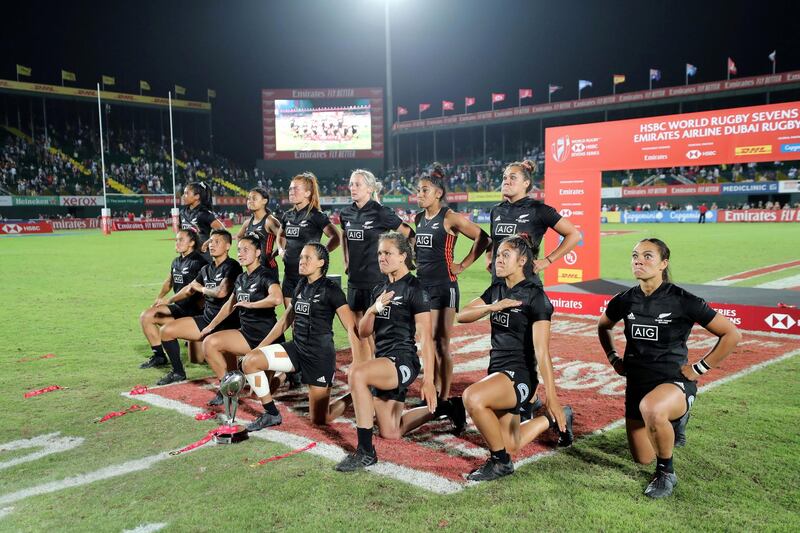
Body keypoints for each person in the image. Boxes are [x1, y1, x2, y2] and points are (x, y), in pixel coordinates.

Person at [597, 238, 741, 498]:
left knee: (652, 408)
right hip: (637, 385)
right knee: (642, 457)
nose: (638, 260)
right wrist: (613, 357)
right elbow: (603, 325)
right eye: (635, 255)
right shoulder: (625, 300)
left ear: (664, 263)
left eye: (648, 256)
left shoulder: (684, 300)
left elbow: (731, 333)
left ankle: (666, 473)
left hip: (673, 382)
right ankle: (674, 422)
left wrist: (699, 368)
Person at [457, 234, 572, 481]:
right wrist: (491, 307)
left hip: (519, 374)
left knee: (473, 398)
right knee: (510, 442)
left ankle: (501, 464)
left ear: (522, 261)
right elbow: (462, 315)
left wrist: (551, 397)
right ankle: (551, 419)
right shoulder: (497, 288)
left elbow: (542, 351)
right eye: (497, 255)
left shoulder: (535, 297)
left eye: (505, 255)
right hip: (497, 371)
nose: (498, 260)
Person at [486, 159, 581, 420]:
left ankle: (528, 397)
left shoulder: (539, 210)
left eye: (512, 177)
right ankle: (526, 395)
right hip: (500, 286)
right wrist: (490, 258)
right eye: (505, 176)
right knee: (503, 340)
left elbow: (573, 235)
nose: (506, 180)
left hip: (527, 288)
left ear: (527, 183)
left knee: (528, 345)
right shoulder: (496, 211)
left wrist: (548, 260)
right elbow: (495, 243)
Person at [334, 232, 437, 472]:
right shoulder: (379, 288)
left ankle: (365, 452)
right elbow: (362, 332)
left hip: (403, 361)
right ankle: (445, 408)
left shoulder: (415, 289)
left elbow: (427, 338)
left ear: (402, 256)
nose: (382, 257)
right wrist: (372, 309)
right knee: (392, 431)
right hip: (383, 363)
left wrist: (429, 380)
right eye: (380, 253)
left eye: (388, 253)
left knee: (357, 373)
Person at [241, 242, 362, 430]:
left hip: (319, 357)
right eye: (301, 257)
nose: (302, 261)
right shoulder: (301, 284)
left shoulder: (331, 289)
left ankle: (356, 394)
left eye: (308, 258)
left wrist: (357, 361)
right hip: (296, 349)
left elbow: (351, 327)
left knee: (320, 419)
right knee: (250, 361)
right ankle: (272, 414)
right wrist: (259, 347)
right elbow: (285, 321)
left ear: (321, 262)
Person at [414, 163, 490, 428]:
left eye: (424, 190)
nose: (419, 195)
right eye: (418, 191)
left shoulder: (449, 217)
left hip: (445, 287)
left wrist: (463, 264)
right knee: (426, 341)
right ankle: (432, 392)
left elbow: (483, 238)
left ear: (437, 193)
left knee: (441, 344)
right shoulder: (418, 218)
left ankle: (444, 398)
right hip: (422, 289)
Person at [340, 169, 414, 362]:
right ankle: (365, 369)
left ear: (370, 189)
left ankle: (384, 368)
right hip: (354, 281)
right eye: (351, 184)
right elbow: (343, 236)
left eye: (358, 184)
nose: (352, 188)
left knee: (376, 330)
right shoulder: (345, 213)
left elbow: (407, 232)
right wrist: (345, 259)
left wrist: (404, 261)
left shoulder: (381, 212)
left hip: (377, 281)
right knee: (358, 330)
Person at [201, 233, 284, 406]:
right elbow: (229, 305)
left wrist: (252, 305)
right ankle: (228, 389)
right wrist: (210, 326)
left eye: (246, 250)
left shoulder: (266, 275)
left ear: (258, 252)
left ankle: (282, 375)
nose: (241, 253)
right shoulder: (241, 278)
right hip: (246, 335)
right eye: (239, 250)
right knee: (209, 343)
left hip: (267, 337)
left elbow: (277, 298)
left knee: (260, 393)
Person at [156, 229, 242, 385]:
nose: (212, 245)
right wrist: (169, 300)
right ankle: (178, 373)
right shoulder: (206, 269)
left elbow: (221, 292)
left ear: (228, 246)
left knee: (231, 370)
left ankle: (228, 386)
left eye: (217, 242)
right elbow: (189, 289)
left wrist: (201, 289)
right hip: (207, 319)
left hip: (227, 323)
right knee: (166, 331)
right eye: (210, 242)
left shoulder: (232, 266)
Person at [138, 229, 206, 369]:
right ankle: (159, 356)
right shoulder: (176, 261)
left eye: (181, 240)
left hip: (196, 314)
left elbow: (190, 290)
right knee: (147, 316)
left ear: (192, 243)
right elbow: (170, 281)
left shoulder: (198, 262)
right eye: (176, 240)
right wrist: (159, 297)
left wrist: (169, 300)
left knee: (198, 359)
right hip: (179, 309)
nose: (177, 243)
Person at [278, 172, 341, 307]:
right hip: (289, 275)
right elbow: (281, 235)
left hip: (308, 276)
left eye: (296, 188)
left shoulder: (316, 216)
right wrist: (280, 250)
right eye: (290, 188)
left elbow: (336, 237)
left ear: (307, 193)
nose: (291, 192)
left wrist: (321, 253)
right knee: (292, 320)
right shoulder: (287, 215)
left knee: (307, 319)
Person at [235, 187, 282, 283]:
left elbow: (284, 238)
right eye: (249, 198)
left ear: (264, 201)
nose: (250, 201)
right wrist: (242, 249)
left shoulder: (270, 221)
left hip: (268, 268)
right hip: (252, 268)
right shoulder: (248, 222)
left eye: (254, 198)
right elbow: (239, 236)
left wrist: (275, 253)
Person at [179, 181, 225, 261]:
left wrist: (208, 243)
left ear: (197, 196)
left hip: (202, 258)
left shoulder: (203, 213)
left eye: (186, 193)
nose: (183, 196)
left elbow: (222, 230)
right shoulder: (183, 213)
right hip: (187, 257)